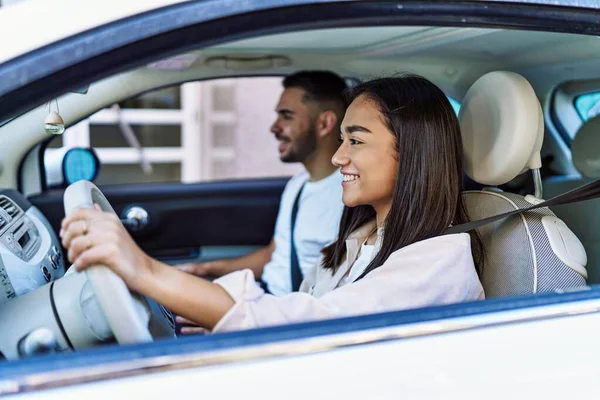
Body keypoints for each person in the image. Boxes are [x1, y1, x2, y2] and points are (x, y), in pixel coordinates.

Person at [60, 74, 485, 334]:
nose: (339, 158)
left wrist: (144, 269)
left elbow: (316, 325)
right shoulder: (361, 235)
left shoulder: (440, 260)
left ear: (411, 152)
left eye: (355, 141)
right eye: (341, 141)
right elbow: (300, 307)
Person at [177, 71, 347, 298]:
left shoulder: (348, 196)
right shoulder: (298, 184)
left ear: (325, 123)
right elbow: (277, 252)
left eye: (286, 116)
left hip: (289, 315)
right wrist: (206, 269)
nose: (274, 127)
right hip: (265, 297)